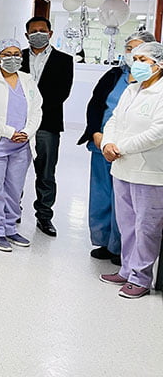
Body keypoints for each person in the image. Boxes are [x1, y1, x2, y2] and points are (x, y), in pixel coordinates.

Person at [77, 31, 156, 264]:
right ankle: (104, 242)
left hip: (132, 151)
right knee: (102, 194)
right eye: (130, 49)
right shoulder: (114, 75)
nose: (133, 55)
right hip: (102, 145)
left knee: (126, 202)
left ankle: (121, 247)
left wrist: (123, 145)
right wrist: (96, 133)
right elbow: (96, 105)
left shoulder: (154, 82)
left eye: (139, 51)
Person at [99, 41, 163, 299]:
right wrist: (107, 143)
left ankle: (141, 278)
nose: (136, 64)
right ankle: (126, 270)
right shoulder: (131, 89)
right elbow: (114, 120)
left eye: (143, 60)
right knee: (127, 225)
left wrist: (120, 147)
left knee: (147, 228)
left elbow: (157, 133)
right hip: (122, 169)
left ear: (159, 64)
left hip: (150, 173)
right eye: (134, 59)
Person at [0, 39, 43, 252]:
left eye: (16, 54)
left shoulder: (27, 80)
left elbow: (37, 110)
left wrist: (27, 132)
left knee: (14, 190)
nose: (13, 58)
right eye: (7, 54)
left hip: (21, 146)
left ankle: (10, 228)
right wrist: (10, 132)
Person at [20, 16, 74, 237]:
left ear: (50, 33)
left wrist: (35, 110)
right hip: (19, 124)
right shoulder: (18, 57)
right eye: (33, 31)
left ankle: (44, 216)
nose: (38, 34)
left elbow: (62, 93)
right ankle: (12, 210)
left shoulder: (64, 60)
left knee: (45, 173)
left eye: (42, 30)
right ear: (27, 35)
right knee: (15, 170)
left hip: (47, 124)